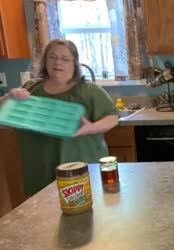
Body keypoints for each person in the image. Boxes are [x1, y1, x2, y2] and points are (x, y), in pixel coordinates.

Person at [0, 39, 118, 196]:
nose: (58, 62)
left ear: (74, 63)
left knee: (84, 211)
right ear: (45, 61)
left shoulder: (89, 90)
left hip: (80, 169)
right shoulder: (30, 89)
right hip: (39, 170)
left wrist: (91, 128)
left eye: (65, 59)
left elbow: (112, 117)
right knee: (45, 215)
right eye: (52, 57)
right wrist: (9, 97)